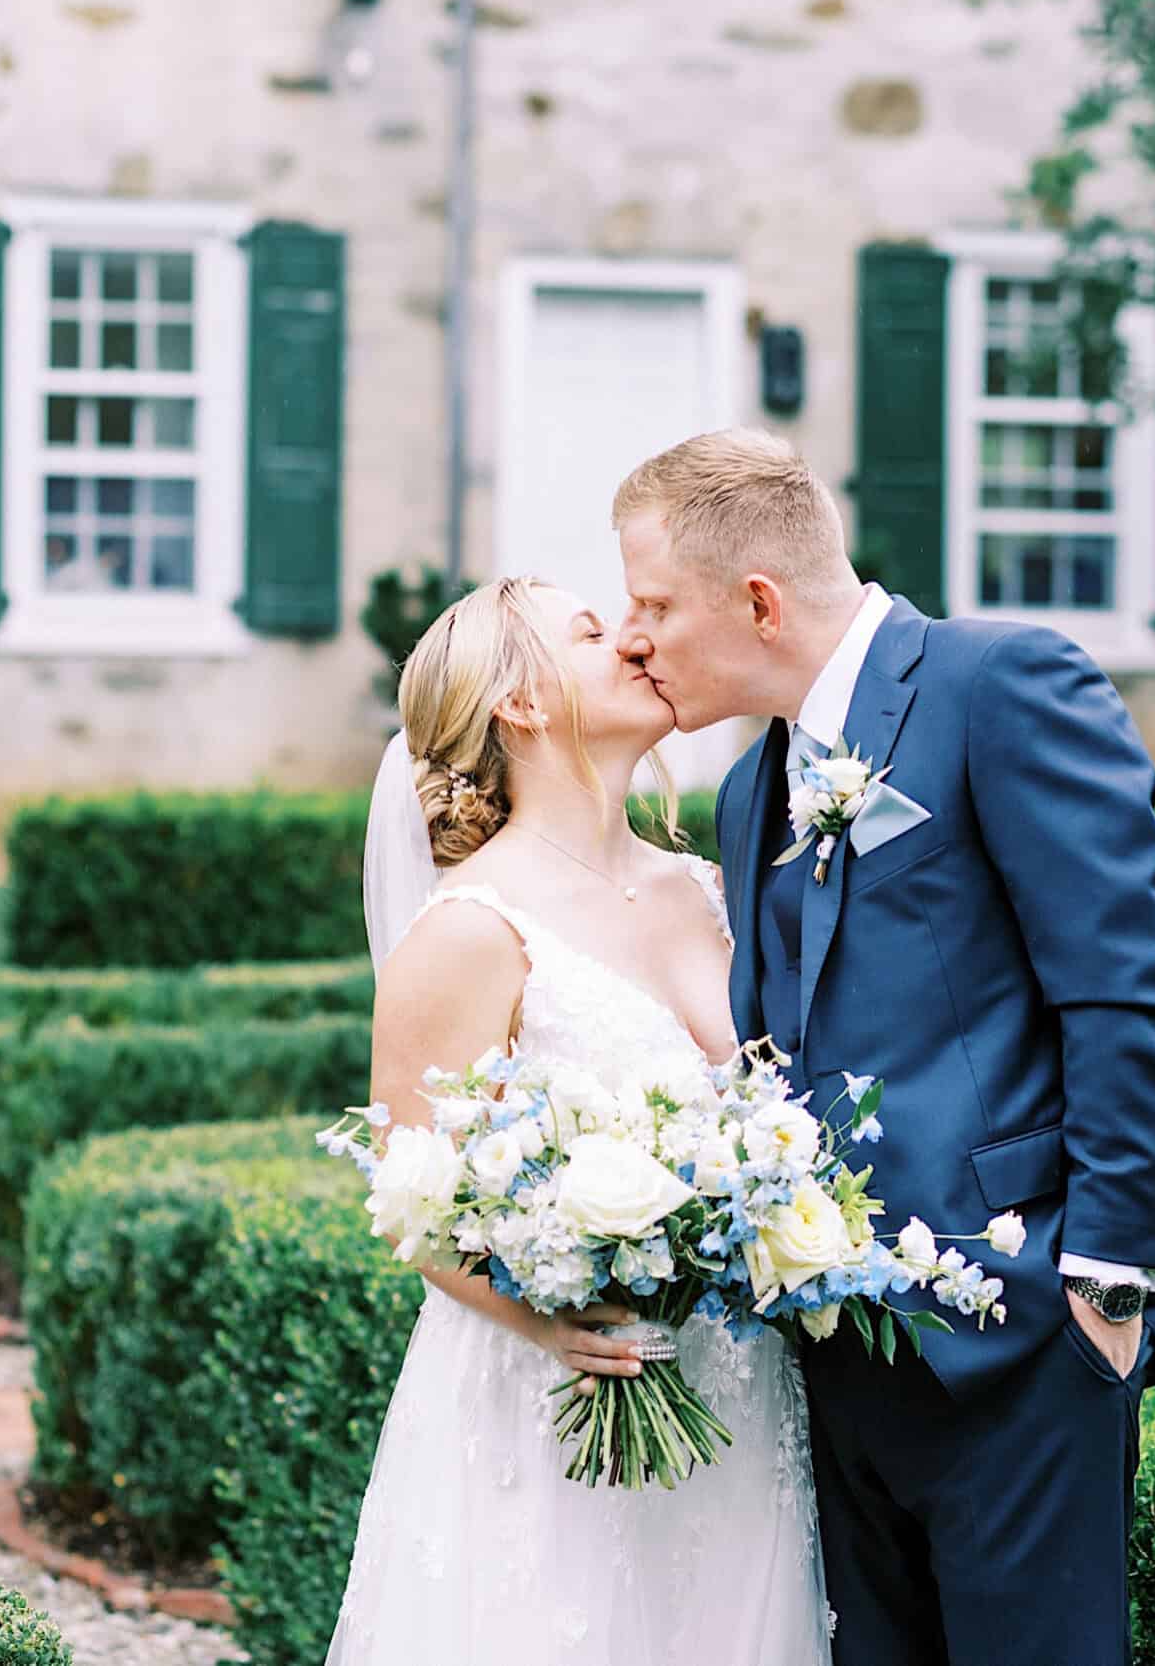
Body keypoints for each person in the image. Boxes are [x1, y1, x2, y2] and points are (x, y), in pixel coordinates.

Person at [613, 428, 1155, 1666]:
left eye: (655, 603)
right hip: (835, 1363)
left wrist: (1104, 1280)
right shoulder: (743, 793)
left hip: (1022, 1335)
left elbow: (1127, 996)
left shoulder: (1001, 685)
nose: (633, 637)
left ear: (759, 600)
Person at [328, 576, 831, 1666]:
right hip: (559, 1393)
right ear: (518, 701)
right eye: (596, 632)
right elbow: (411, 1199)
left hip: (737, 1385)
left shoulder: (709, 888)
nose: (637, 640)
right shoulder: (468, 929)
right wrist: (556, 1316)